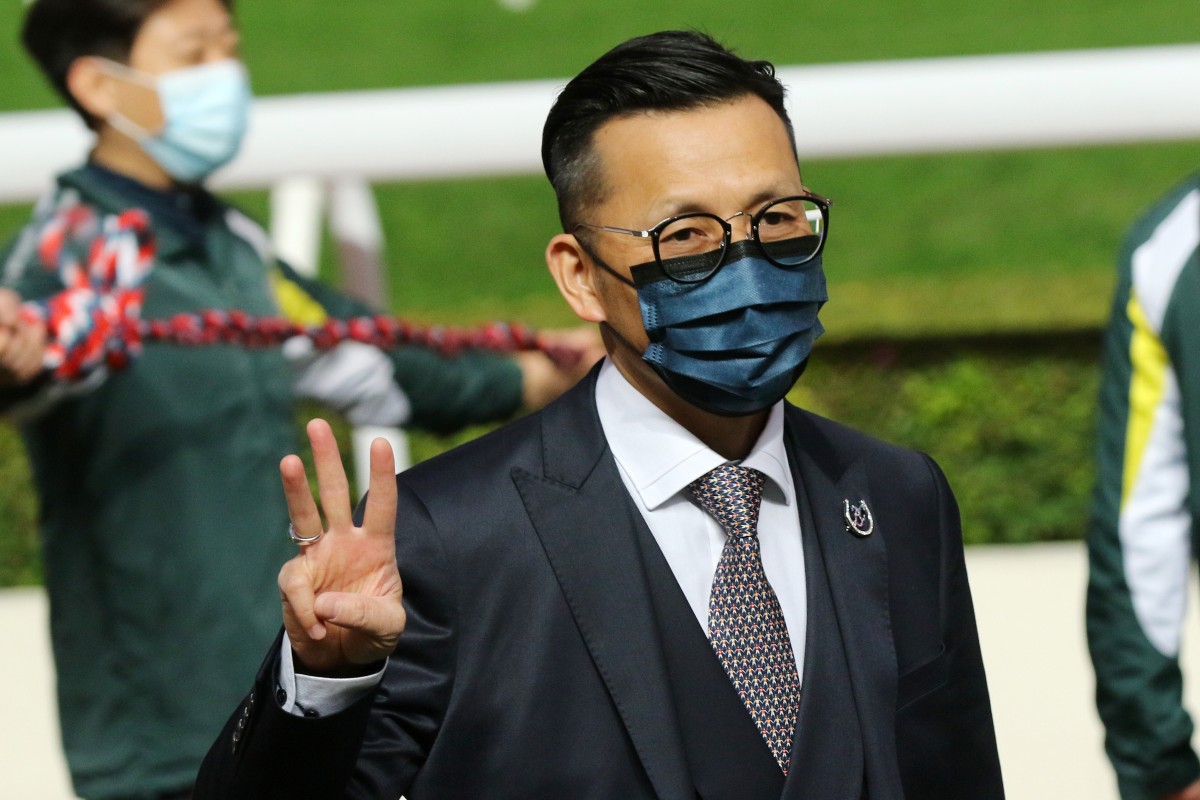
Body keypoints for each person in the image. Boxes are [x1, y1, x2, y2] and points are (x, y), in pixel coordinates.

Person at [195, 30, 1005, 799]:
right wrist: (328, 681)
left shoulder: (899, 497)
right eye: (686, 235)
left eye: (778, 220)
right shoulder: (448, 537)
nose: (748, 264)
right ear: (580, 276)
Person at [0, 1, 598, 798]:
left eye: (229, 48)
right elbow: (40, 356)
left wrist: (547, 369)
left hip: (280, 703)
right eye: (193, 54)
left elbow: (369, 355)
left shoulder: (226, 241)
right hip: (161, 742)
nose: (225, 73)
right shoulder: (68, 254)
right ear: (99, 86)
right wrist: (21, 363)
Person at [1087, 173, 1200, 800]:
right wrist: (1159, 761)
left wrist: (1156, 759)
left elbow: (1137, 529)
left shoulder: (1174, 243)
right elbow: (1139, 529)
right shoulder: (1172, 249)